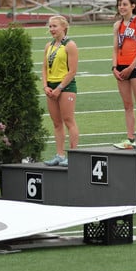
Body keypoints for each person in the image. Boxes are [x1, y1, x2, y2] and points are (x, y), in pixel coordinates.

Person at [112, 0, 136, 149]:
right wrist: (114, 67)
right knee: (127, 105)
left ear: (133, 6)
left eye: (125, 4)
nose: (122, 7)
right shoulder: (117, 25)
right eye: (120, 4)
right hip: (120, 68)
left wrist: (131, 67)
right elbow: (115, 48)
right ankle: (130, 138)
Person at [42, 15, 79, 167]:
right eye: (50, 26)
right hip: (51, 88)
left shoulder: (70, 45)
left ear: (63, 27)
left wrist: (59, 88)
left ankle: (74, 155)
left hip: (65, 87)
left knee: (68, 120)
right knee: (57, 123)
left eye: (54, 26)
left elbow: (72, 71)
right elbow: (44, 68)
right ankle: (59, 154)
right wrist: (45, 86)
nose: (52, 29)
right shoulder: (48, 46)